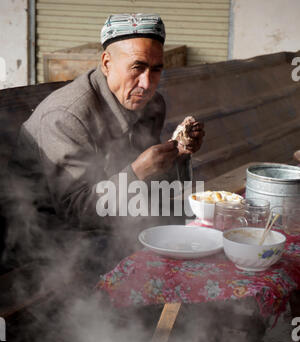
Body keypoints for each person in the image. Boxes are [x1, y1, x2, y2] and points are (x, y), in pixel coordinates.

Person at [7, 13, 205, 281]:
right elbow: (76, 211)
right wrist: (138, 171)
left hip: (109, 216)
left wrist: (178, 154)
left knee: (190, 229)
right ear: (107, 63)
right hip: (45, 233)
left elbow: (146, 187)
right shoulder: (67, 116)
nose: (147, 84)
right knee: (142, 250)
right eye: (137, 67)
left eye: (156, 69)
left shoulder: (151, 105)